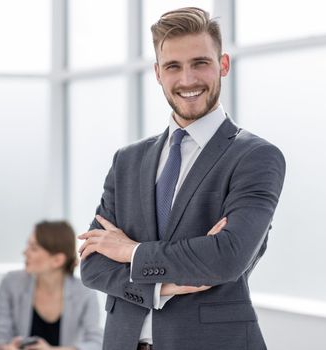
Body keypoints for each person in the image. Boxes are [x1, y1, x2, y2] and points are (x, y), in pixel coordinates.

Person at [78, 7, 286, 350]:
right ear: (158, 73)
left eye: (200, 63)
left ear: (223, 65)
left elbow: (226, 257)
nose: (187, 79)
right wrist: (163, 286)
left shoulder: (255, 157)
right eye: (174, 66)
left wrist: (130, 251)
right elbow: (94, 266)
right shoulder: (127, 161)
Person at [0, 220, 102, 350]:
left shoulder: (85, 293)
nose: (25, 252)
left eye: (33, 248)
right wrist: (6, 347)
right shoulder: (11, 283)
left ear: (57, 260)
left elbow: (96, 344)